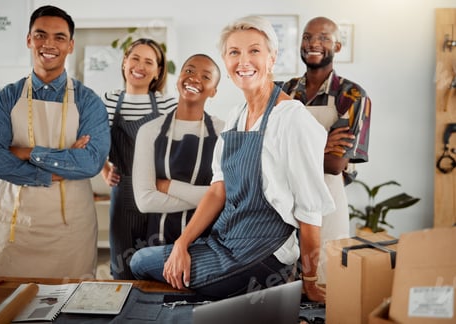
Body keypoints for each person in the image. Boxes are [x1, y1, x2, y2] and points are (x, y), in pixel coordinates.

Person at [130, 15, 335, 303]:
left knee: (144, 265)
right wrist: (182, 244)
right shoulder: (236, 117)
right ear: (226, 63)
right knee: (141, 260)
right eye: (234, 52)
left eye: (254, 51)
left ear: (272, 58)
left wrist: (310, 281)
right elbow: (218, 189)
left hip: (263, 254)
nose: (243, 61)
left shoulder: (293, 119)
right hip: (223, 241)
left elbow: (310, 212)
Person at [0, 5, 110, 278]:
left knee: (72, 311)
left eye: (59, 37)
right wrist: (51, 173)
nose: (49, 44)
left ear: (71, 45)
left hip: (71, 230)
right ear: (29, 40)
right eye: (40, 35)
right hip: (15, 227)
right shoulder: (6, 99)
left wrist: (26, 152)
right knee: (2, 307)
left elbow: (90, 162)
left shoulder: (89, 102)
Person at [281, 16, 371, 284]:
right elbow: (266, 150)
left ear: (338, 47)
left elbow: (334, 165)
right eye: (308, 37)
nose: (313, 43)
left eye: (323, 38)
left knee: (324, 281)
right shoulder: (285, 90)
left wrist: (290, 150)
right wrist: (323, 144)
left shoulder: (353, 95)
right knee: (284, 284)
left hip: (327, 200)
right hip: (284, 196)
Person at [100, 38, 178, 280]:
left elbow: (181, 149)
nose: (140, 66)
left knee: (157, 265)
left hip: (158, 194)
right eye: (135, 58)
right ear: (124, 62)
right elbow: (92, 140)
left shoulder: (167, 104)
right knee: (122, 269)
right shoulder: (109, 101)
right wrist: (104, 168)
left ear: (157, 71)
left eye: (149, 61)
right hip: (123, 194)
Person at [132, 54, 225, 246]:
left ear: (214, 91)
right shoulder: (149, 131)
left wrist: (168, 187)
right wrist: (210, 199)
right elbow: (145, 201)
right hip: (158, 243)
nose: (195, 78)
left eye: (206, 76)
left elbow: (230, 195)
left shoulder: (224, 132)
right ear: (179, 78)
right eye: (189, 71)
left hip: (208, 245)